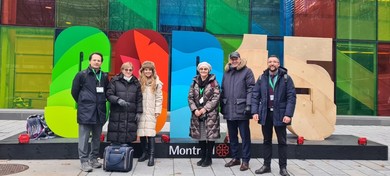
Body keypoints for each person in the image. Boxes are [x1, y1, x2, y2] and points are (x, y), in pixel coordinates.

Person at [251, 55, 296, 176]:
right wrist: (255, 111)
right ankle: (266, 166)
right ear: (267, 63)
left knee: (282, 142)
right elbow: (255, 95)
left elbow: (291, 98)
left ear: (278, 64)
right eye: (270, 61)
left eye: (275, 62)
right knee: (266, 141)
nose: (272, 64)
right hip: (265, 114)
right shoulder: (262, 78)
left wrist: (288, 114)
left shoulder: (286, 78)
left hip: (281, 114)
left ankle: (283, 168)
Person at [71, 52, 109, 172]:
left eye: (99, 60)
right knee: (84, 138)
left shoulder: (104, 76)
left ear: (101, 62)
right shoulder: (81, 75)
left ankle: (93, 159)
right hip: (86, 112)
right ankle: (84, 161)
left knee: (97, 138)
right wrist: (84, 102)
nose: (96, 62)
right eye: (94, 60)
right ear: (90, 61)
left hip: (99, 111)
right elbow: (74, 92)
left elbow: (106, 91)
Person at [220, 51, 255, 171]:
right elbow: (223, 89)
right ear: (230, 60)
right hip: (229, 110)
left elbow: (251, 89)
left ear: (240, 59)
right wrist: (221, 105)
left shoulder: (247, 71)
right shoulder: (227, 72)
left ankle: (245, 160)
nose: (234, 61)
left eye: (236, 58)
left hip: (242, 110)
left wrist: (249, 105)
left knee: (245, 137)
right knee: (233, 136)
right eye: (232, 59)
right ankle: (235, 158)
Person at [188, 62, 221, 167]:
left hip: (210, 114)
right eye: (201, 69)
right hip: (197, 114)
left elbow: (216, 98)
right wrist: (195, 110)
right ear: (198, 70)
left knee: (210, 137)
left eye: (205, 69)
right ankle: (203, 157)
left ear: (209, 70)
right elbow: (190, 98)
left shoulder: (214, 83)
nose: (203, 71)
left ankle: (208, 158)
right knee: (201, 136)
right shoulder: (194, 82)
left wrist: (204, 109)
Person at [106, 62, 143, 146]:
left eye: (130, 70)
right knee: (116, 136)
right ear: (122, 70)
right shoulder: (115, 80)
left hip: (131, 113)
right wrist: (118, 100)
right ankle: (116, 156)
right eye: (126, 69)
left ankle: (126, 156)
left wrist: (139, 112)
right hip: (117, 113)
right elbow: (109, 94)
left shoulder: (136, 82)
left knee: (128, 137)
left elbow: (139, 98)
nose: (128, 71)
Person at [137, 61, 163, 166]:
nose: (148, 71)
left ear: (153, 71)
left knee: (151, 133)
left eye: (149, 70)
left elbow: (159, 98)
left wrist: (157, 110)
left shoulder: (157, 83)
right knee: (142, 132)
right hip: (141, 110)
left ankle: (152, 155)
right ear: (142, 71)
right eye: (146, 69)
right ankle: (145, 153)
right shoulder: (138, 82)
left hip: (151, 111)